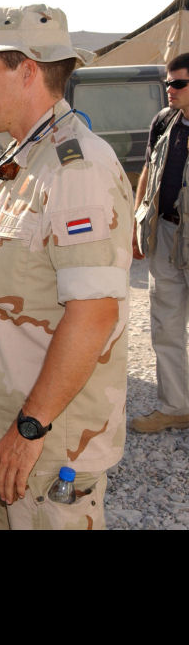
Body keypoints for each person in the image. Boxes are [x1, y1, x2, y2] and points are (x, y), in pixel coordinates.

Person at [0, 4, 133, 530]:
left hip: (49, 444)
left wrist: (30, 427)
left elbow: (94, 314)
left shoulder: (75, 169)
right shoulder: (31, 160)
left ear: (28, 70)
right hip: (19, 429)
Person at [131, 52, 189, 433]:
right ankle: (176, 407)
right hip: (166, 233)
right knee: (166, 325)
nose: (170, 90)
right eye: (168, 83)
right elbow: (148, 170)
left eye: (178, 83)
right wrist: (138, 223)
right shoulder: (164, 122)